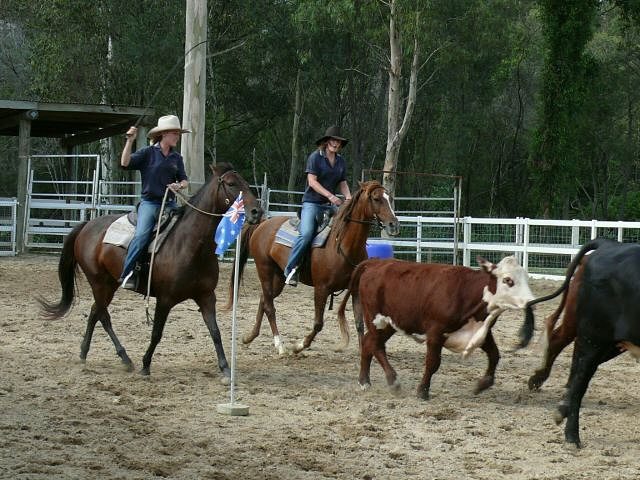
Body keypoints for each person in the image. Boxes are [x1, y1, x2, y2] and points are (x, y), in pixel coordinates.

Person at [118, 115, 190, 289]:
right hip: (150, 203)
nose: (177, 137)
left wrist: (178, 185)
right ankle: (128, 273)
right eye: (175, 133)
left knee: (187, 229)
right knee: (142, 235)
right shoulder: (147, 153)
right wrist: (130, 141)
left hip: (170, 203)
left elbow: (185, 180)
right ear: (164, 134)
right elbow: (125, 162)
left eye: (178, 134)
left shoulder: (176, 158)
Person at [283, 125, 352, 286]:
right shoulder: (315, 157)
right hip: (312, 203)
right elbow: (312, 182)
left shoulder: (341, 161)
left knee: (348, 224)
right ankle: (291, 268)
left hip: (329, 205)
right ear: (327, 141)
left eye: (339, 141)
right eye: (333, 140)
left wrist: (348, 197)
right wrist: (330, 196)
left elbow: (342, 182)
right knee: (306, 234)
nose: (336, 143)